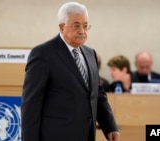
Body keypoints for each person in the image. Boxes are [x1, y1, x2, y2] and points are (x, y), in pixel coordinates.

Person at [21, 2, 120, 141]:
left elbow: (97, 95)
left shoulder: (91, 54)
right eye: (76, 25)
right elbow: (31, 105)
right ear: (61, 27)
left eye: (86, 26)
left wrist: (110, 127)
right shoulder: (43, 54)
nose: (82, 31)